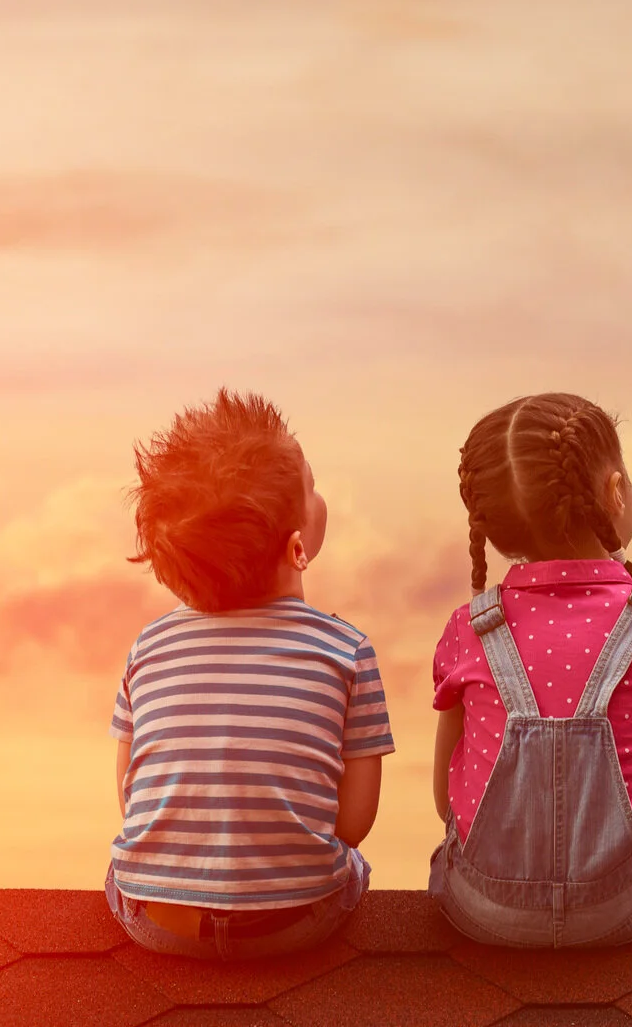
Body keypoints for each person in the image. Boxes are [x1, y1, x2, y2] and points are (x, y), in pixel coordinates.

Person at [105, 389, 393, 959]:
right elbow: (354, 824)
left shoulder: (150, 646)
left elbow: (129, 796)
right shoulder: (346, 650)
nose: (318, 494)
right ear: (297, 549)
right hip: (291, 925)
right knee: (352, 867)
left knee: (123, 869)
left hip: (159, 924)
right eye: (311, 487)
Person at [428, 393, 632, 947]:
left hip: (486, 914)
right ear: (615, 492)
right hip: (620, 911)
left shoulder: (470, 628)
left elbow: (446, 800)